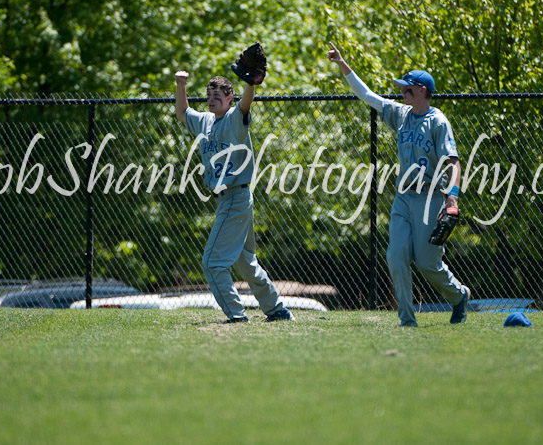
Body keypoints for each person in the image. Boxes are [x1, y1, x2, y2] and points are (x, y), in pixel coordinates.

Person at [326, 42, 471, 326]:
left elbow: (453, 163)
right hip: (403, 197)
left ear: (423, 91)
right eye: (403, 89)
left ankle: (459, 296)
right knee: (395, 256)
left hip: (430, 198)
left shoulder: (438, 122)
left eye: (407, 89)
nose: (402, 92)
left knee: (428, 264)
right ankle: (407, 319)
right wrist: (342, 64)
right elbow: (367, 95)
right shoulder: (401, 114)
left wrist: (452, 199)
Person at [174, 70, 294, 323]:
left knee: (212, 263)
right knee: (246, 262)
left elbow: (246, 103)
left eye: (217, 95)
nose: (211, 99)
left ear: (230, 98)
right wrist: (180, 86)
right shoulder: (206, 121)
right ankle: (277, 310)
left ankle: (237, 316)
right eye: (209, 95)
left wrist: (250, 83)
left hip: (234, 197)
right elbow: (183, 113)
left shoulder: (233, 118)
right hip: (229, 201)